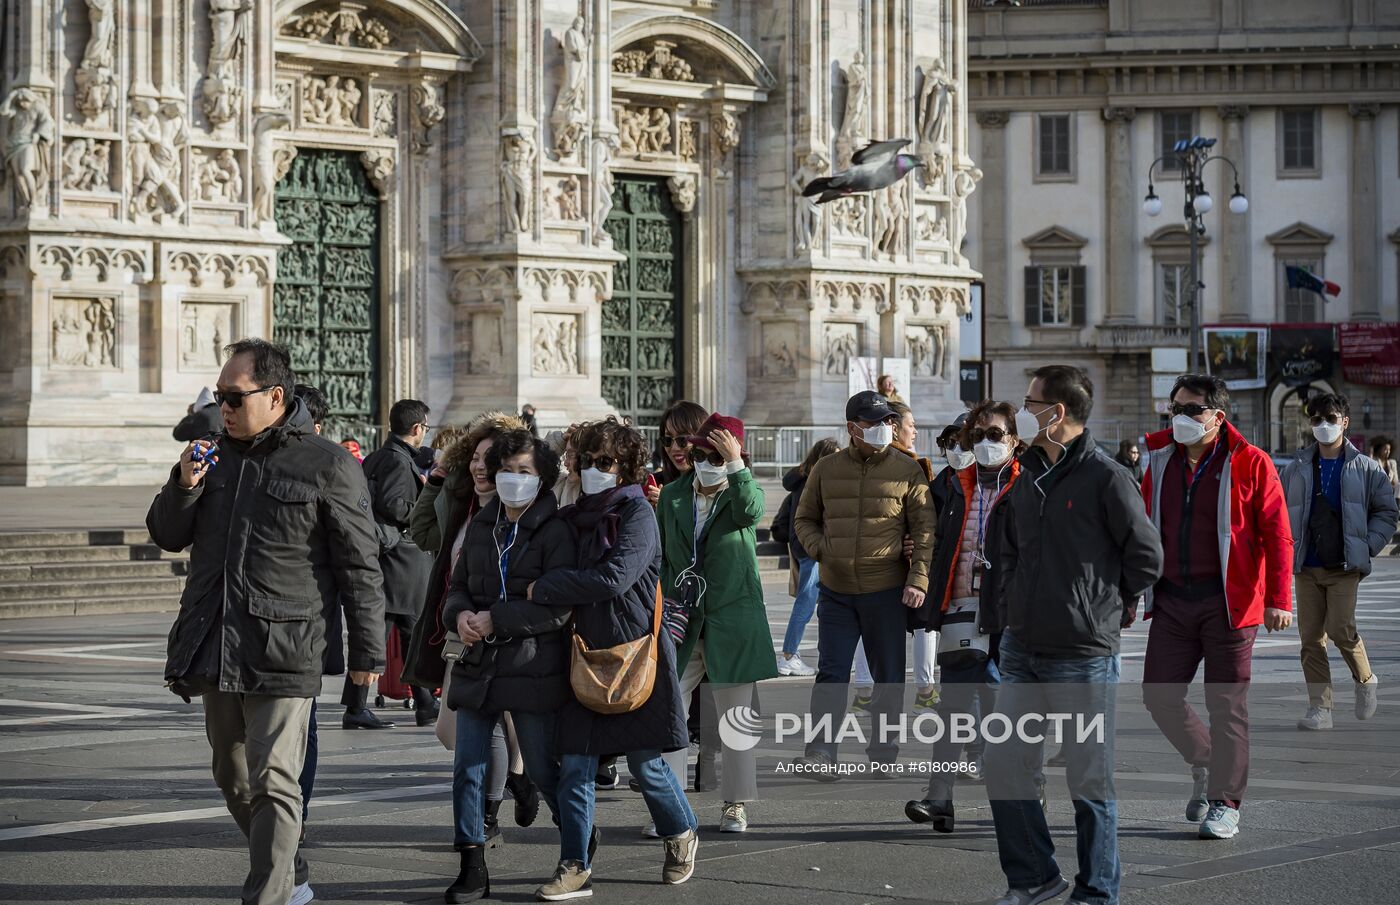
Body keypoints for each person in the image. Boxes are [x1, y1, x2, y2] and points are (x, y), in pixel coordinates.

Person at [147, 338, 386, 905]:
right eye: (221, 397)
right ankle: (290, 865)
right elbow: (165, 534)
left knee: (276, 779)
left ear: (275, 396)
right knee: (233, 777)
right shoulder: (210, 456)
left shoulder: (328, 464)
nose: (222, 408)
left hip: (287, 645)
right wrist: (183, 485)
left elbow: (360, 565)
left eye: (234, 397)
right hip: (216, 641)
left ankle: (269, 894)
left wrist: (367, 658)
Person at [983, 365, 1162, 905]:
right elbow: (1009, 546)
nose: (1023, 409)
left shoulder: (1107, 476)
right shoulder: (1027, 472)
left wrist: (1102, 608)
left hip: (1082, 651)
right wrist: (1013, 597)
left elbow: (1147, 558)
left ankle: (1097, 889)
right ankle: (1034, 876)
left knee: (1088, 782)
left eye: (1030, 401)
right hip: (1022, 645)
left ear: (1056, 413)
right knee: (1005, 766)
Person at [527, 418, 698, 900]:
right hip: (583, 653)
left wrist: (547, 587)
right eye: (586, 461)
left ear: (625, 467)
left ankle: (681, 833)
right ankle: (574, 864)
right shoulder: (572, 515)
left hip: (633, 653)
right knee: (577, 766)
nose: (594, 470)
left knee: (647, 765)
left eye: (605, 462)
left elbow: (614, 578)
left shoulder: (637, 513)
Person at [1140, 374, 1293, 841]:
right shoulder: (1160, 462)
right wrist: (1133, 591)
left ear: (1217, 417)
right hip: (1172, 601)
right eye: (1175, 408)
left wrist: (1279, 599)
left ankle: (1225, 803)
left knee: (1226, 706)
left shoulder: (1251, 462)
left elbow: (1277, 533)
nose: (1180, 417)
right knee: (1158, 695)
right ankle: (1205, 760)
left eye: (1192, 410)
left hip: (1230, 604)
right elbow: (1143, 529)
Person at [440, 429, 576, 902]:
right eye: (506, 471)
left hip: (532, 664)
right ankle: (472, 862)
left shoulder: (557, 531)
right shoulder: (482, 525)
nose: (512, 480)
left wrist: (494, 617)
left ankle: (576, 837)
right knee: (468, 764)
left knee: (541, 767)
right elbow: (457, 587)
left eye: (524, 472)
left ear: (543, 479)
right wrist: (459, 615)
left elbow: (557, 607)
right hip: (479, 662)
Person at [403, 412, 538, 847]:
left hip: (502, 633)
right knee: (454, 731)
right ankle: (521, 777)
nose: (481, 467)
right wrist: (439, 481)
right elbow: (421, 533)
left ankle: (487, 818)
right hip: (458, 630)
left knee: (484, 727)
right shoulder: (462, 507)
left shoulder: (516, 509)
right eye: (475, 457)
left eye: (491, 460)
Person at [790, 390, 935, 776]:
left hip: (886, 590)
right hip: (836, 592)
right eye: (875, 423)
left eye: (889, 421)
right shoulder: (826, 468)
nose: (885, 428)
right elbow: (804, 519)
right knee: (832, 673)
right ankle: (821, 752)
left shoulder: (909, 470)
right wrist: (823, 550)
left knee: (888, 676)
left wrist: (918, 578)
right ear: (853, 428)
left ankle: (884, 752)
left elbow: (924, 529)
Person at [905, 400, 1025, 831]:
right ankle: (940, 798)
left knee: (1003, 708)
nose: (985, 443)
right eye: (977, 436)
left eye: (995, 435)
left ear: (1014, 439)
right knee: (953, 710)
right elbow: (930, 536)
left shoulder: (1027, 483)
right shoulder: (953, 484)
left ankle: (1024, 788)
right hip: (960, 607)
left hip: (1011, 614)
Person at [659, 413, 777, 833]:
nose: (704, 460)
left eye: (714, 454)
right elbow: (664, 558)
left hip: (732, 617)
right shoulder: (672, 495)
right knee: (668, 710)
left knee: (735, 717)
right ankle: (668, 805)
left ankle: (736, 804)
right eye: (699, 453)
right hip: (683, 618)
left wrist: (735, 465)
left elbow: (751, 512)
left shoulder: (742, 490)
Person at [1281, 394, 1397, 731]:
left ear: (1345, 421)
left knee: (1340, 629)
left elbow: (1387, 513)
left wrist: (1367, 546)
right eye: (1316, 419)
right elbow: (1281, 514)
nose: (1323, 425)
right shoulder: (1296, 468)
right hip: (1306, 565)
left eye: (1330, 418)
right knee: (1311, 639)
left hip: (1345, 565)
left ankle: (1365, 679)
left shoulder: (1366, 467)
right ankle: (1321, 708)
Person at [345, 399, 438, 729]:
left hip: (389, 561)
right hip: (401, 561)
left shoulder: (377, 456)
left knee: (388, 632)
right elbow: (396, 506)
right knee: (402, 632)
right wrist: (426, 501)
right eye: (425, 428)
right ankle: (363, 707)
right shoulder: (400, 462)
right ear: (416, 429)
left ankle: (421, 703)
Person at [852, 401, 938, 710]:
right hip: (889, 564)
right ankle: (918, 689)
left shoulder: (914, 465)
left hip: (902, 562)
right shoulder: (904, 466)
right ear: (894, 428)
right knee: (916, 626)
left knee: (884, 626)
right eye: (909, 425)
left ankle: (868, 691)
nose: (914, 431)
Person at [290, 384, 339, 844]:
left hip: (303, 627)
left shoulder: (332, 468)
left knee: (303, 724)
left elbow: (355, 556)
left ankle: (294, 815)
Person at [776, 438, 841, 677]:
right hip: (813, 549)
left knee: (822, 603)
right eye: (834, 455)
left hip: (808, 548)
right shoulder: (814, 481)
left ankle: (826, 655)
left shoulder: (805, 479)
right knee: (806, 602)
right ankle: (789, 655)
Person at [932, 414, 973, 517]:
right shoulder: (935, 488)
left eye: (965, 443)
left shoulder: (988, 487)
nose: (957, 449)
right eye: (952, 442)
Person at [1370, 436, 1400, 508]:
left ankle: (1397, 506)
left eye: (1389, 450)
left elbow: (1395, 481)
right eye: (1385, 449)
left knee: (1399, 485)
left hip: (1390, 488)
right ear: (1380, 450)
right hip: (1378, 488)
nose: (1388, 452)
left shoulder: (1392, 463)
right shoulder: (1375, 461)